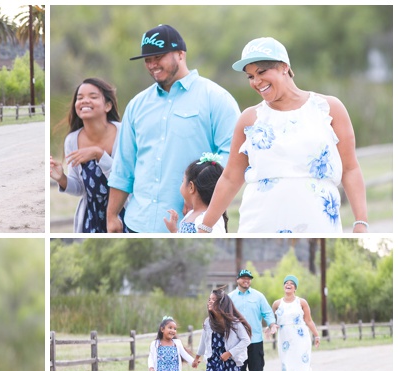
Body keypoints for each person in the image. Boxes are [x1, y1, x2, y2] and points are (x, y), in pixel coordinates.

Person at [199, 37, 369, 233]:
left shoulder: (328, 108)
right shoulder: (250, 119)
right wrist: (205, 227)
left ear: (284, 67)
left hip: (318, 225)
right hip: (259, 226)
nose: (256, 81)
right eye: (250, 76)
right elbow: (230, 178)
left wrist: (361, 221)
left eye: (261, 72)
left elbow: (350, 169)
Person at [106, 24, 240, 233]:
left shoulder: (216, 99)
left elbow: (233, 158)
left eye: (158, 57)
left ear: (180, 54)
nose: (152, 65)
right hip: (136, 224)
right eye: (148, 60)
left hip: (193, 225)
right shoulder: (137, 105)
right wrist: (112, 215)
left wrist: (200, 193)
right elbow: (124, 165)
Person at [49, 77, 124, 232]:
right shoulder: (72, 140)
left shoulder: (124, 134)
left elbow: (124, 179)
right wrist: (61, 178)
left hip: (123, 212)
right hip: (91, 218)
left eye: (93, 97)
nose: (84, 101)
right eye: (80, 98)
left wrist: (99, 155)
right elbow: (81, 189)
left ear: (108, 106)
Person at [229, 269, 277, 371]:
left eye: (249, 278)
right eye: (243, 278)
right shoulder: (230, 297)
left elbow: (267, 312)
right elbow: (225, 316)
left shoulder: (258, 296)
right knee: (240, 367)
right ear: (237, 280)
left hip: (255, 338)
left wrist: (272, 324)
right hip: (237, 340)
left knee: (257, 366)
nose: (246, 280)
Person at [272, 275, 320, 371]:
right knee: (286, 364)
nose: (288, 285)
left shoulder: (301, 302)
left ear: (295, 288)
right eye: (286, 283)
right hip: (284, 338)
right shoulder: (277, 304)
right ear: (283, 286)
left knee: (301, 361)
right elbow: (273, 321)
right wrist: (270, 328)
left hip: (300, 336)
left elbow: (309, 320)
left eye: (291, 283)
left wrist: (316, 335)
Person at [164, 153, 227, 233]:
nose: (181, 185)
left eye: (183, 181)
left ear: (191, 187)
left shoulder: (210, 220)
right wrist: (174, 230)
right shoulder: (190, 214)